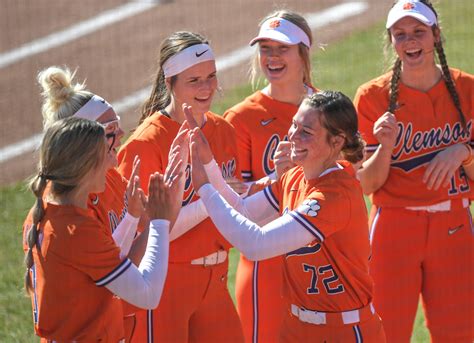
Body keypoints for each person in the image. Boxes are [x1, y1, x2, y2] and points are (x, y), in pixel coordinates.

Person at [189, 91, 386, 342]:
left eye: (306, 131)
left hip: (344, 331)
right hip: (296, 328)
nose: (292, 136)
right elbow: (244, 212)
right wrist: (209, 165)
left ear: (336, 142)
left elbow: (256, 244)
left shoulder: (335, 195)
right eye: (294, 125)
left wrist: (205, 190)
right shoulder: (295, 176)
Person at [354, 1, 474, 342]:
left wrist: (463, 152)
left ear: (436, 35)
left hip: (454, 228)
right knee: (385, 333)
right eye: (400, 34)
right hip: (394, 227)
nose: (410, 42)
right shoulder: (372, 97)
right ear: (391, 41)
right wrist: (386, 148)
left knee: (460, 334)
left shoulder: (468, 89)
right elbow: (367, 184)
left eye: (418, 32)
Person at [117, 31, 244, 342]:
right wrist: (212, 198)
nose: (207, 88)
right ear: (169, 82)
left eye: (211, 76)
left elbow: (238, 204)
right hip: (166, 283)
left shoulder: (223, 131)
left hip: (216, 280)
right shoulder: (145, 145)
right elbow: (139, 239)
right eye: (194, 80)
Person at [22, 116, 183, 341]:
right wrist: (159, 222)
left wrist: (133, 218)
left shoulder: (44, 214)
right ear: (85, 167)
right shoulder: (75, 230)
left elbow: (105, 263)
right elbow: (148, 294)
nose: (113, 163)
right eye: (106, 154)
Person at [223, 10, 317, 342]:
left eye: (282, 49)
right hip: (266, 260)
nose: (272, 58)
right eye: (265, 49)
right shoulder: (242, 118)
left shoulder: (329, 111)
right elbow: (235, 203)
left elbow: (348, 184)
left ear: (303, 53)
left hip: (319, 260)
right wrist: (276, 180)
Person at [37, 66, 147, 340]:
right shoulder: (70, 206)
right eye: (110, 129)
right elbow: (112, 265)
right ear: (83, 145)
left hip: (113, 322)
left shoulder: (110, 178)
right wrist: (159, 220)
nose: (122, 132)